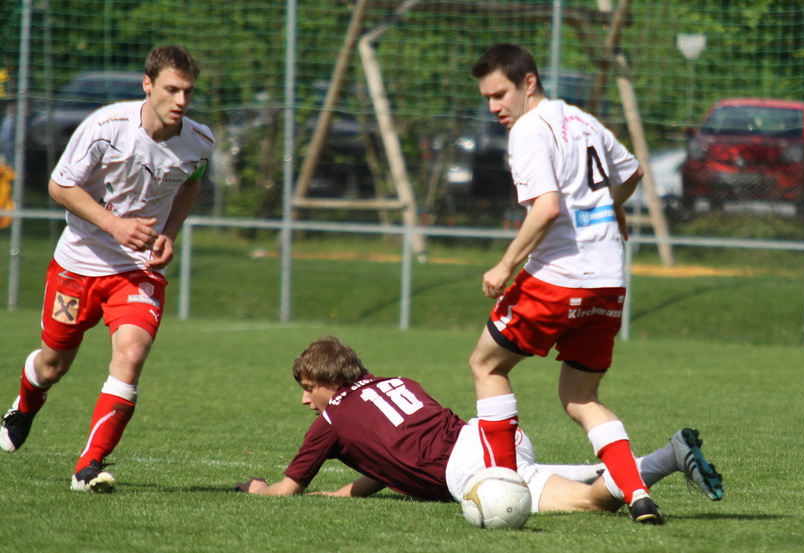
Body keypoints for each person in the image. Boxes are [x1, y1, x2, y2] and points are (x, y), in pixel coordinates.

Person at [464, 43, 722, 525]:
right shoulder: (582, 121)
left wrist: (504, 266)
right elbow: (633, 172)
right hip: (608, 281)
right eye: (487, 98)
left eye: (499, 94)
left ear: (528, 83)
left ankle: (503, 484)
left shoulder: (528, 130)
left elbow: (546, 208)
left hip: (557, 279)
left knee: (486, 364)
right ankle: (637, 492)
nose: (494, 106)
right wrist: (613, 207)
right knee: (580, 397)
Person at [0, 46, 214, 493]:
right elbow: (60, 186)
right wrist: (114, 224)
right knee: (53, 365)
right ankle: (25, 405)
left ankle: (88, 467)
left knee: (131, 356)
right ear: (147, 85)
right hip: (78, 264)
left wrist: (170, 232)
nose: (180, 100)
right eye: (171, 89)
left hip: (137, 270)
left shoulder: (199, 141)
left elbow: (191, 182)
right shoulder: (106, 126)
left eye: (188, 91)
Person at [237, 336, 711, 522]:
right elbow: (389, 462)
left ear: (330, 382)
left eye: (308, 388)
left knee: (590, 502)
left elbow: (286, 490)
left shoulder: (331, 420)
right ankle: (665, 457)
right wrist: (342, 495)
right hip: (490, 436)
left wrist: (257, 488)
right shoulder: (396, 382)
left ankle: (668, 459)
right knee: (580, 477)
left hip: (472, 466)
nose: (305, 400)